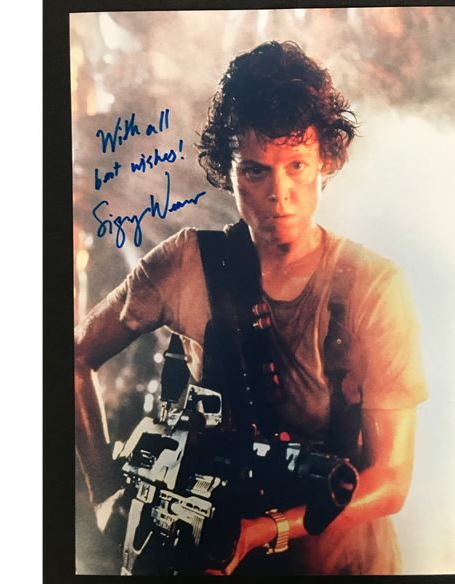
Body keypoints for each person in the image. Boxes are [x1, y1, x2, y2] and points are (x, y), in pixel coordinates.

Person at [75, 40, 428, 575]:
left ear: (325, 161)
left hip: (345, 564)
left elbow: (393, 480)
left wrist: (266, 530)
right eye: (256, 171)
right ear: (230, 170)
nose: (278, 194)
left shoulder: (373, 286)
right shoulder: (188, 263)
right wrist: (105, 492)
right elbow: (74, 356)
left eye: (297, 166)